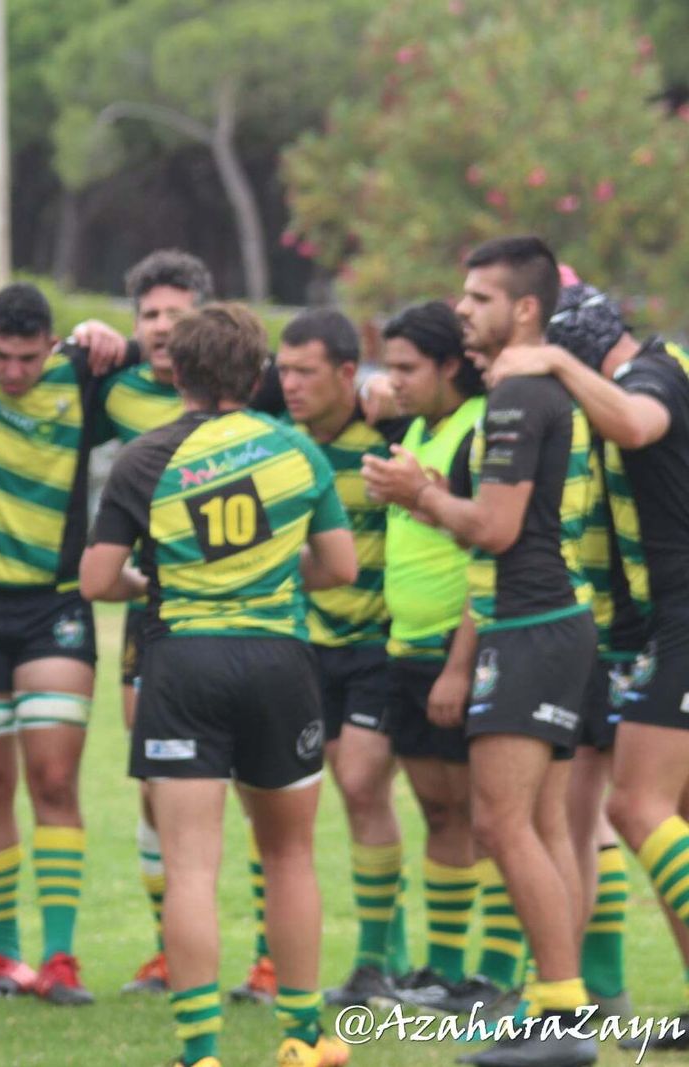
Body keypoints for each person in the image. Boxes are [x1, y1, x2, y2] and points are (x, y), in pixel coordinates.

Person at [81, 303, 357, 1067]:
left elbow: (98, 578)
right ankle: (305, 1038)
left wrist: (158, 580)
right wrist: (273, 575)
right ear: (259, 371)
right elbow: (341, 567)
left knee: (192, 865)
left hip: (186, 664)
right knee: (291, 855)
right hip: (280, 661)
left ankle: (201, 1050)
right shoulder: (296, 449)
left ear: (177, 372)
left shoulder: (145, 456)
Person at [364, 235, 599, 1067]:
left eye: (479, 298)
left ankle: (562, 1019)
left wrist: (418, 493)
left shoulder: (513, 400)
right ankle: (558, 1006)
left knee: (502, 822)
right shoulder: (527, 390)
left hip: (528, 626)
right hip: (550, 624)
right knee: (538, 824)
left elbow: (493, 528)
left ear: (526, 308)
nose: (462, 309)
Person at [483, 285, 689, 1034]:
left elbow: (636, 424)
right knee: (675, 812)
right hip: (654, 623)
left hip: (684, 619)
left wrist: (555, 365)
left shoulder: (652, 375)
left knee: (635, 806)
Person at [0, 282, 132, 1004]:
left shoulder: (82, 373)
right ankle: (2, 957)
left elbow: (168, 358)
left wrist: (108, 333)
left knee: (54, 780)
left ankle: (59, 957)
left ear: (51, 344)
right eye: (1, 355)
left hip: (54, 607)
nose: (14, 371)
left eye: (28, 357)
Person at [362, 304, 502, 1014]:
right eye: (389, 367)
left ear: (451, 365)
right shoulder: (415, 429)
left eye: (407, 367)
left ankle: (498, 974)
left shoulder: (481, 431)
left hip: (461, 651)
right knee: (440, 812)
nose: (394, 381)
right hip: (407, 650)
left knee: (494, 818)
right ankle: (444, 972)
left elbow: (492, 552)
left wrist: (458, 663)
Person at [276, 308, 412, 1008]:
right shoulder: (282, 444)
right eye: (285, 370)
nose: (290, 384)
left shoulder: (389, 438)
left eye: (306, 371)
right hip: (309, 644)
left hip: (378, 644)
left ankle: (371, 965)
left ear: (347, 373)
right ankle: (394, 954)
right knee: (333, 789)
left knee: (362, 783)